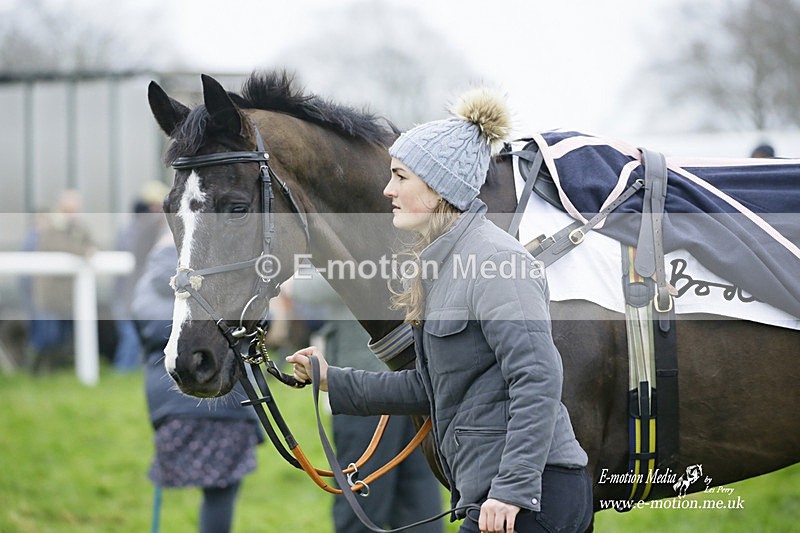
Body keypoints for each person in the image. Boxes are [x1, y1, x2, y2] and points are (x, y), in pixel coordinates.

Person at [288, 89, 592, 533]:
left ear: (437, 187)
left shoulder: (495, 262)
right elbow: (431, 387)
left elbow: (538, 376)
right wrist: (333, 379)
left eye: (400, 176)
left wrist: (511, 490)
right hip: (493, 493)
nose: (387, 190)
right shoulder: (443, 264)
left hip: (528, 497)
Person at [290, 265, 444, 533]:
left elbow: (307, 288)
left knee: (362, 508)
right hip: (415, 378)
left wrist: (295, 277)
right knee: (417, 504)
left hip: (367, 387)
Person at [133, 229, 263, 533]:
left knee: (211, 490)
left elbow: (145, 332)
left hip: (168, 402)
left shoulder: (147, 282)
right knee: (221, 492)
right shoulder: (219, 276)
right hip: (224, 399)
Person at [26, 190, 94, 372]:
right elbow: (59, 246)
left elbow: (92, 245)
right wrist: (83, 251)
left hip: (67, 296)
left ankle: (52, 371)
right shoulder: (51, 227)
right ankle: (35, 371)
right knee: (46, 336)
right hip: (49, 295)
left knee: (62, 337)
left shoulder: (78, 227)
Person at [112, 180, 170, 372]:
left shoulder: (137, 227)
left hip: (135, 295)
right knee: (130, 339)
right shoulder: (137, 228)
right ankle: (121, 374)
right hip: (130, 295)